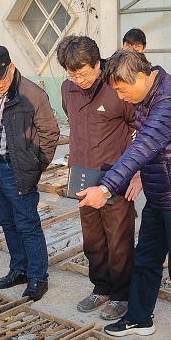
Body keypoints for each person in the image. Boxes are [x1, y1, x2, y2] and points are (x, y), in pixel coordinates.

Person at [78, 49, 171, 340]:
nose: (121, 97)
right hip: (160, 192)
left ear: (141, 77)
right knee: (146, 259)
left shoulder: (170, 100)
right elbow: (143, 145)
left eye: (122, 90)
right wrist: (137, 175)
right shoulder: (146, 95)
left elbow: (144, 145)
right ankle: (139, 318)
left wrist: (106, 188)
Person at [56, 35, 141, 320]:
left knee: (119, 238)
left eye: (83, 74)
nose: (79, 80)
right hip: (82, 175)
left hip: (115, 176)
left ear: (97, 64)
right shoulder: (68, 89)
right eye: (72, 75)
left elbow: (141, 127)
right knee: (92, 238)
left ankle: (121, 295)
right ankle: (101, 287)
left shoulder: (117, 87)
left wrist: (137, 171)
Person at [0, 45, 59, 301]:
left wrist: (34, 166)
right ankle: (19, 269)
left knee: (27, 224)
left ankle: (38, 277)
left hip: (18, 169)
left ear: (11, 68)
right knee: (7, 222)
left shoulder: (33, 94)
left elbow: (50, 134)